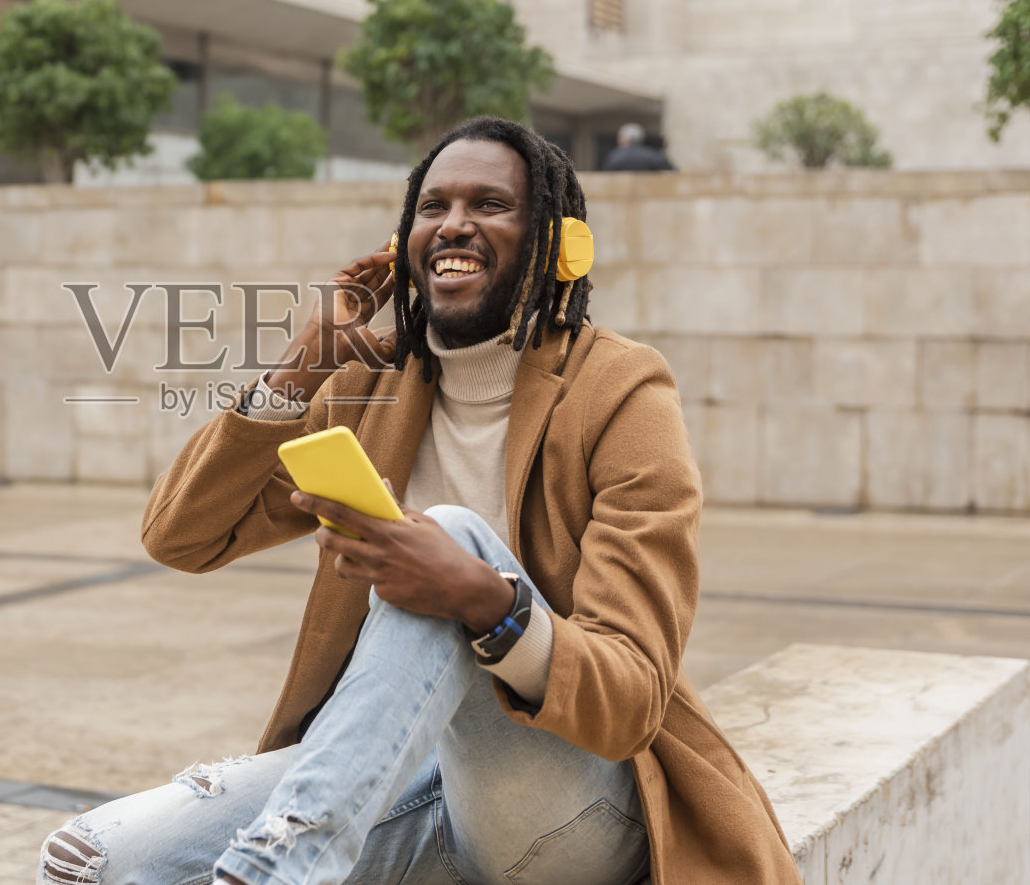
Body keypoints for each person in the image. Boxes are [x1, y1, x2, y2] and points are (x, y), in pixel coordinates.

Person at [40, 117, 799, 885]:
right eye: (432, 206)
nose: (455, 224)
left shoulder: (622, 391)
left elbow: (631, 696)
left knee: (449, 539)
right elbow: (180, 536)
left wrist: (482, 599)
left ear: (556, 245)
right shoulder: (373, 387)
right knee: (89, 863)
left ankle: (284, 869)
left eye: (490, 204)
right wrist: (301, 367)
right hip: (400, 789)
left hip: (571, 805)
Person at [603, 123, 675, 172]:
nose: (618, 141)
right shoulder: (652, 155)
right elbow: (672, 172)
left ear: (626, 138)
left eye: (620, 138)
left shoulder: (615, 156)